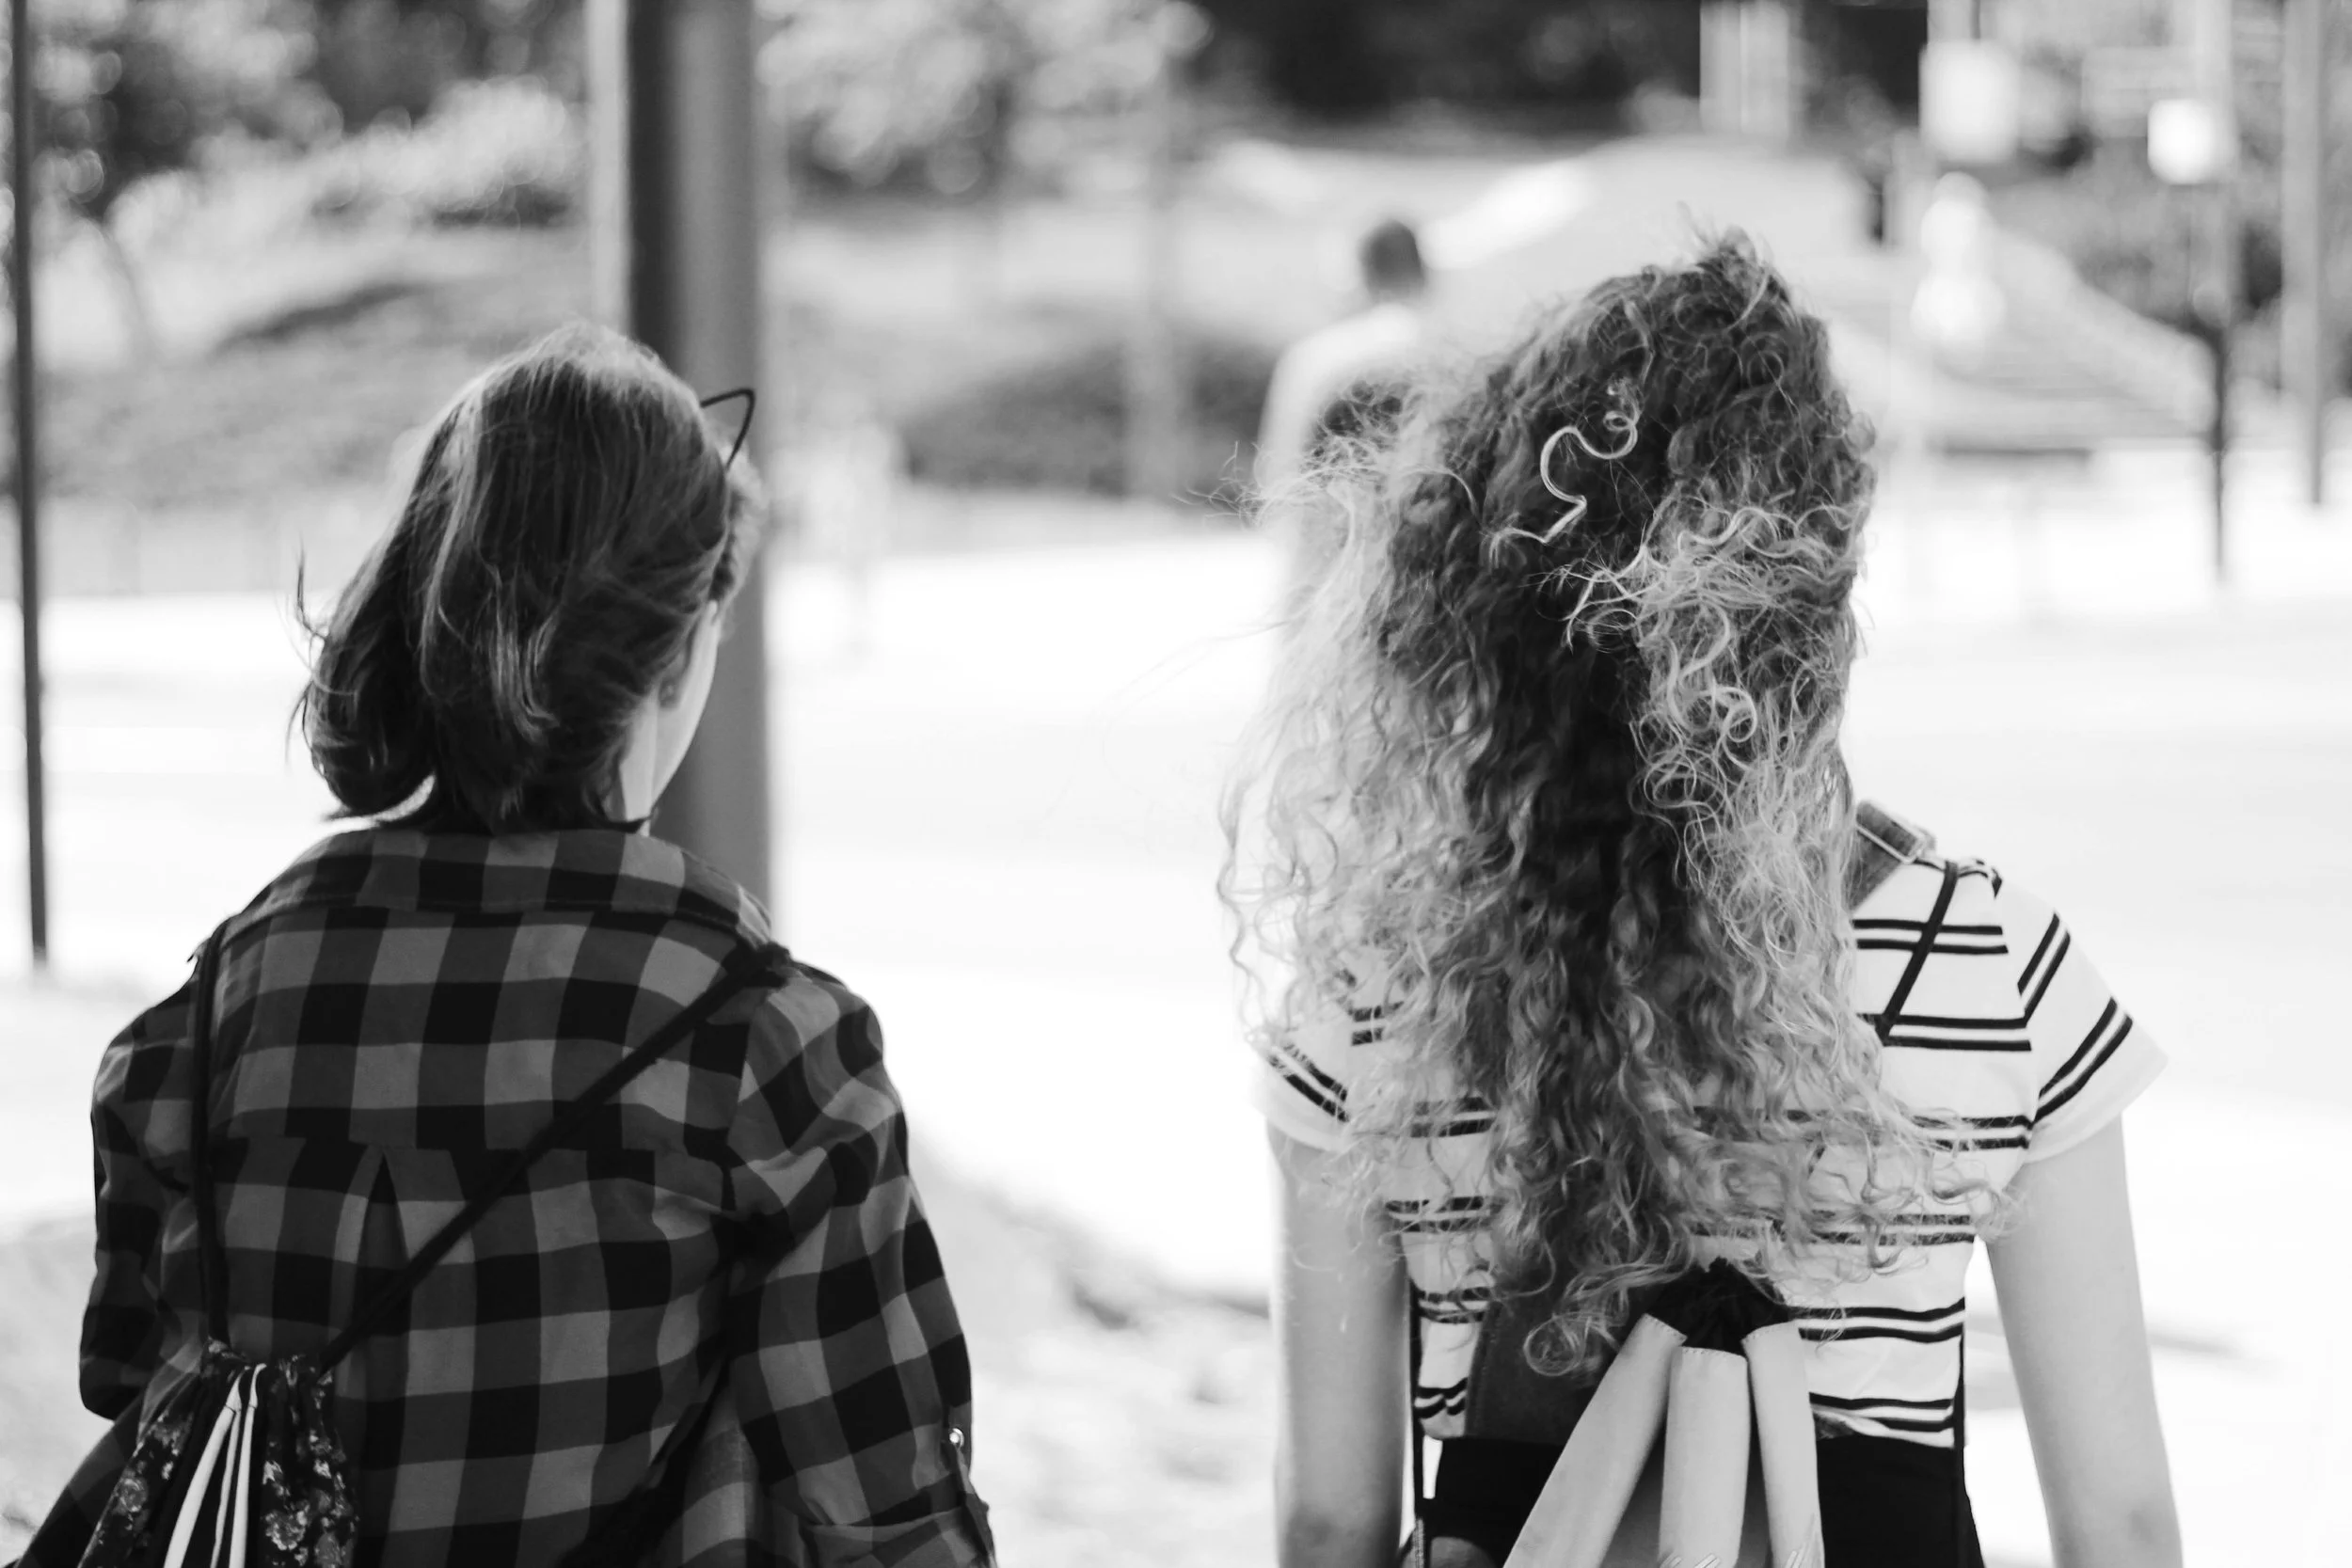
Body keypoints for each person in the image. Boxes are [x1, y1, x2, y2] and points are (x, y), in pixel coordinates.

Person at [1226, 237, 2180, 1568]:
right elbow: (2121, 1522)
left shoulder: (1379, 981)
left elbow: (1330, 1519)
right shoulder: (1990, 963)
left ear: (1494, 597)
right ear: (1822, 593)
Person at [33, 325, 993, 1567]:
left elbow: (127, 1370)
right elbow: (888, 1502)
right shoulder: (766, 1037)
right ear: (678, 649)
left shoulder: (221, 997)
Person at [1256, 217, 1436, 609]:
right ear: (1425, 274)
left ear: (1357, 275)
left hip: (1335, 568)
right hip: (1435, 571)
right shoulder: (1461, 355)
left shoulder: (1318, 358)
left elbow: (1280, 481)